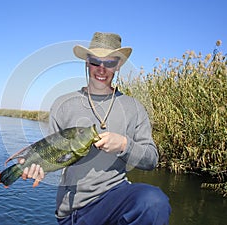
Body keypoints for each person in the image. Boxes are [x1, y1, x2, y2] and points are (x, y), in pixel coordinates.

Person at [21, 32, 171, 225]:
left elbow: (152, 159)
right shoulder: (62, 104)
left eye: (109, 63)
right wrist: (39, 168)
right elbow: (52, 153)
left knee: (154, 201)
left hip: (117, 197)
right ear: (86, 62)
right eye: (95, 62)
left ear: (118, 65)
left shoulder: (134, 108)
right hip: (75, 208)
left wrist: (124, 145)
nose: (101, 69)